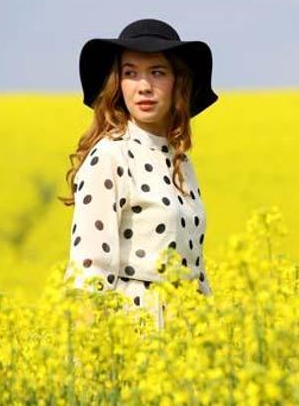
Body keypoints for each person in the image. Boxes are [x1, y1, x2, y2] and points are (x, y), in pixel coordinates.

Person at [61, 18, 219, 330]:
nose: (143, 86)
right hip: (136, 334)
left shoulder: (180, 162)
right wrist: (91, 355)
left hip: (187, 335)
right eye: (130, 73)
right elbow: (89, 268)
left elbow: (194, 268)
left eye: (157, 72)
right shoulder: (109, 155)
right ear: (117, 84)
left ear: (178, 82)